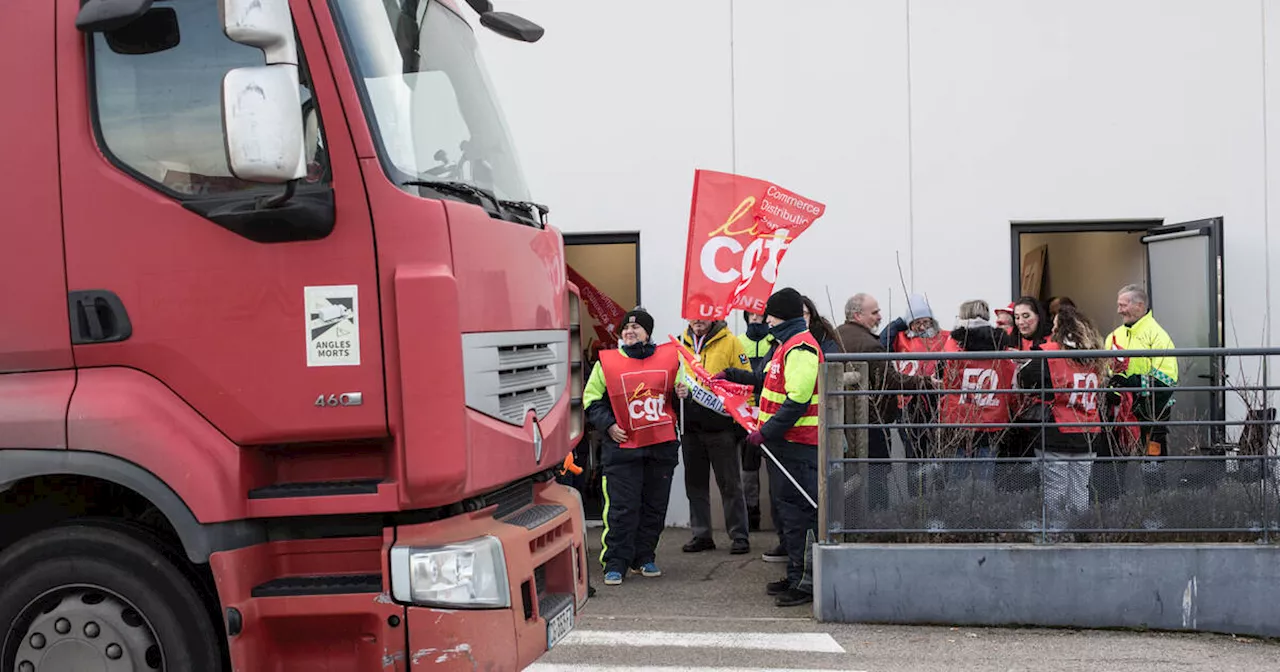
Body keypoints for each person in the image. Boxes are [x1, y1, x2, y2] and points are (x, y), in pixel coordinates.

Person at [722, 287, 824, 607]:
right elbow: (762, 381)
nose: (765, 321)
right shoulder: (783, 346)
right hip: (783, 446)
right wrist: (731, 378)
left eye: (770, 316)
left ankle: (806, 582)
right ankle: (795, 575)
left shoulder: (801, 348)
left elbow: (798, 399)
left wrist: (766, 431)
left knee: (801, 515)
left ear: (780, 317)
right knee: (787, 513)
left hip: (798, 446)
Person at [582, 307, 682, 586]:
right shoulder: (607, 362)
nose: (629, 332)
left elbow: (682, 391)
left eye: (635, 328)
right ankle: (615, 562)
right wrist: (608, 426)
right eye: (625, 328)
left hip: (660, 448)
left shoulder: (670, 358)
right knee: (621, 509)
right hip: (622, 449)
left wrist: (680, 392)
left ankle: (644, 557)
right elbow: (591, 400)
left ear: (648, 333)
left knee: (653, 507)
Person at [838, 293, 933, 509]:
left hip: (843, 422)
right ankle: (876, 522)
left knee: (849, 479)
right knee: (877, 476)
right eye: (875, 312)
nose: (879, 316)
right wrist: (925, 382)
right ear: (857, 315)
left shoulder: (838, 336)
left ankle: (852, 525)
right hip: (871, 422)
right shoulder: (869, 345)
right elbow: (891, 380)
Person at [1019, 306, 1106, 529]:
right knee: (1079, 490)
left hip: (1057, 430)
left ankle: (1057, 535)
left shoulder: (1050, 353)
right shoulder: (1096, 355)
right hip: (1088, 432)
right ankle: (1081, 533)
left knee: (1054, 489)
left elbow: (1024, 378)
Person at [676, 318, 752, 555]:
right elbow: (672, 377)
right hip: (690, 428)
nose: (697, 321)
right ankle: (701, 535)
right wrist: (676, 390)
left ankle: (739, 536)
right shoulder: (680, 344)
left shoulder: (731, 342)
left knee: (730, 485)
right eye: (693, 316)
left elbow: (745, 382)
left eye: (702, 315)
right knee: (695, 485)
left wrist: (742, 424)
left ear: (713, 315)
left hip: (721, 428)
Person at [938, 300, 1014, 484]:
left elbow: (946, 382)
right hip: (992, 421)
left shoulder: (954, 348)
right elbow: (1010, 383)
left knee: (955, 483)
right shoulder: (1001, 347)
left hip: (959, 421)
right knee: (985, 482)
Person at [1107, 285, 1177, 484]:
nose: (1119, 310)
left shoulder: (1158, 336)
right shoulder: (1113, 336)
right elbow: (1105, 373)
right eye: (1118, 305)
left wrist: (1134, 385)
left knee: (1152, 465)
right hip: (1119, 414)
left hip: (1150, 416)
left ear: (1139, 306)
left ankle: (1153, 509)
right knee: (1115, 463)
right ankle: (1114, 508)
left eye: (1123, 305)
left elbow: (1167, 380)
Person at [738, 310, 775, 531]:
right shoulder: (739, 342)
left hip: (772, 412)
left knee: (775, 467)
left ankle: (778, 515)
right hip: (747, 414)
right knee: (749, 467)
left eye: (759, 314)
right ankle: (752, 514)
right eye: (750, 314)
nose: (755, 318)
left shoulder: (775, 342)